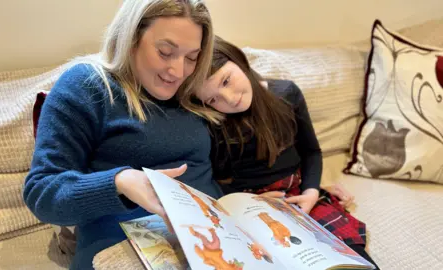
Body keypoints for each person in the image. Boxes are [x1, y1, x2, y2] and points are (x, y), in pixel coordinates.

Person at [23, 1, 223, 269]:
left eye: (191, 57)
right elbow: (42, 193)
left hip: (213, 241)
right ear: (131, 39)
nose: (178, 71)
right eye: (165, 52)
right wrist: (120, 181)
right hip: (127, 250)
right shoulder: (88, 85)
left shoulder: (192, 90)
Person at [188, 36, 380, 269]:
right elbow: (213, 179)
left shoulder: (287, 93)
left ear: (237, 59)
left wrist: (311, 191)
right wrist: (251, 201)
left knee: (350, 257)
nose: (229, 99)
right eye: (213, 99)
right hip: (248, 205)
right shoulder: (212, 124)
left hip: (298, 194)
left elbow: (311, 152)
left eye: (226, 81)